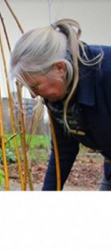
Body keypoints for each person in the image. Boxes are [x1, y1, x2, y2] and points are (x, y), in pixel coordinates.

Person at [9, 18, 111, 190]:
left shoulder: (106, 74)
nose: (33, 95)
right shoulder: (58, 98)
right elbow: (63, 152)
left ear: (59, 68)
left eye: (34, 86)